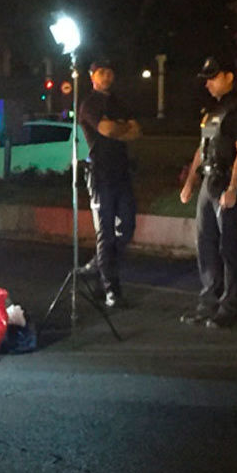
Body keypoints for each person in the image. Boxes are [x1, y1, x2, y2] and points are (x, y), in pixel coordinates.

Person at [179, 55, 237, 328]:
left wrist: (233, 188)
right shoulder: (211, 112)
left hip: (226, 184)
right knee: (206, 245)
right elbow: (202, 149)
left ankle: (229, 307)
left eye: (213, 77)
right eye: (207, 79)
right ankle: (208, 302)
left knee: (230, 249)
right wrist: (190, 182)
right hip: (208, 185)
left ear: (229, 77)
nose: (208, 84)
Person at [75, 58, 142, 308]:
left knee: (126, 226)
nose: (106, 76)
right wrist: (121, 127)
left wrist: (119, 127)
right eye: (101, 72)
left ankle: (97, 264)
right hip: (100, 174)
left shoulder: (118, 102)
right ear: (92, 76)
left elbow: (137, 131)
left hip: (122, 172)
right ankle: (111, 288)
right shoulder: (90, 104)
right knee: (106, 231)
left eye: (109, 71)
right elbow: (106, 130)